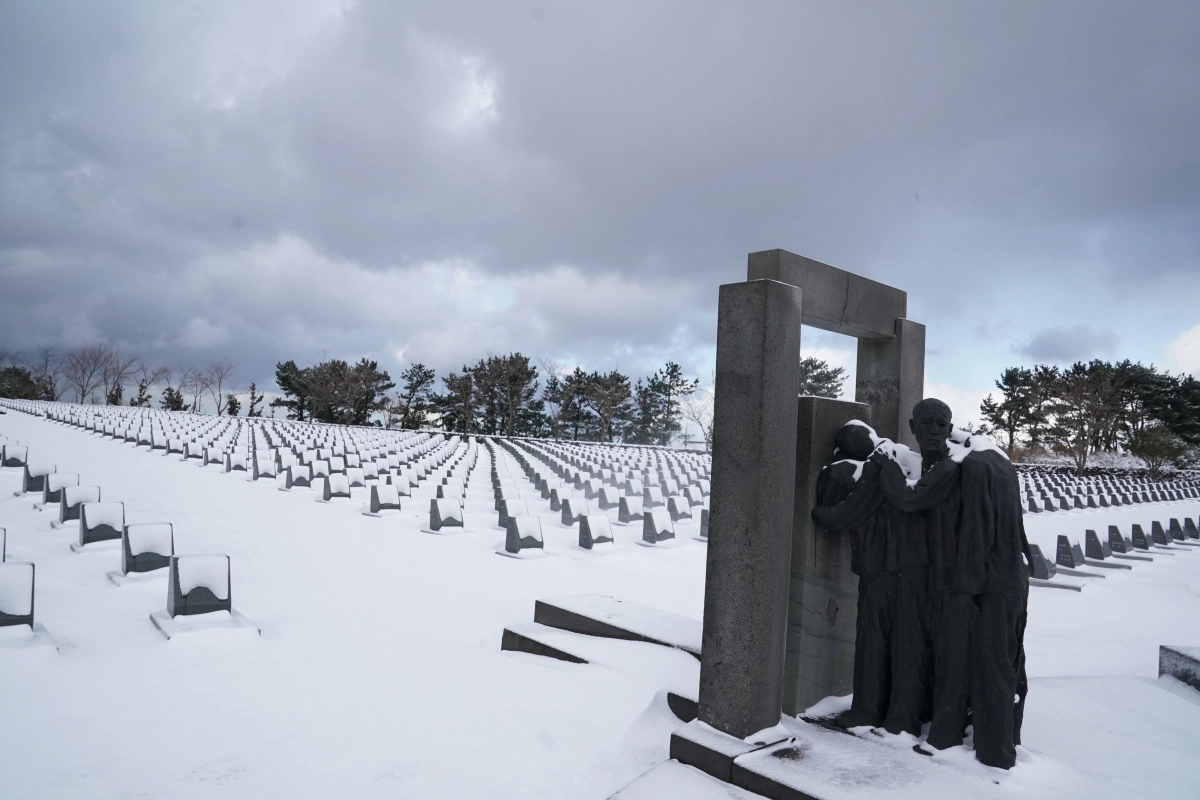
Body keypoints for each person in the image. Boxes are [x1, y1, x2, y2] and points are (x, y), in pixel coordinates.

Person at [874, 399, 1031, 769]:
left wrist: (887, 467)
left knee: (982, 661)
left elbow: (910, 499)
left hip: (976, 584)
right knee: (994, 660)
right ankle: (978, 739)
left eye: (940, 424)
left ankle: (993, 751)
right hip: (1001, 578)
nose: (933, 431)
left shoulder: (958, 466)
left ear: (950, 428)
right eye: (927, 424)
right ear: (912, 426)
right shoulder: (989, 461)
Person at [811, 421, 932, 735]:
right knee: (908, 641)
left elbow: (840, 516)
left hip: (879, 568)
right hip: (915, 566)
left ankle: (867, 711)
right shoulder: (908, 463)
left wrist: (819, 514)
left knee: (873, 641)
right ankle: (906, 714)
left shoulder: (857, 472)